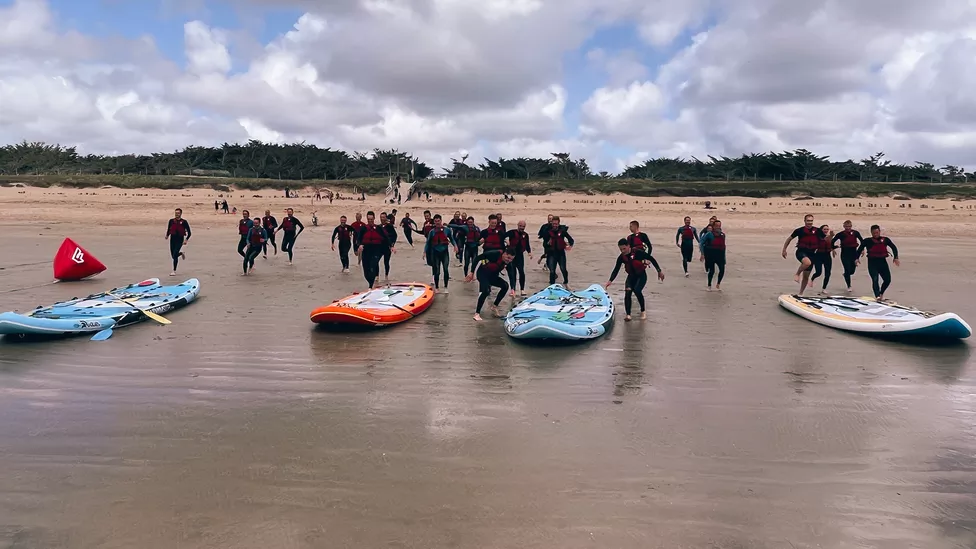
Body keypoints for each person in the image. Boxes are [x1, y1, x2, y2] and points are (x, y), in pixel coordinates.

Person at [606, 238, 664, 321]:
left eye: (624, 249)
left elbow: (651, 259)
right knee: (628, 292)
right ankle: (628, 315)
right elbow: (616, 269)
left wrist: (659, 271)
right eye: (621, 249)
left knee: (637, 291)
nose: (622, 251)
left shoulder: (638, 253)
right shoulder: (621, 257)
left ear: (628, 246)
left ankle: (643, 311)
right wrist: (610, 280)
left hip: (641, 276)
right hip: (631, 277)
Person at [466, 247, 514, 321]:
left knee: (505, 286)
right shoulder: (495, 254)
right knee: (486, 291)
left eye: (511, 259)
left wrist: (513, 288)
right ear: (504, 254)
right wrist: (472, 272)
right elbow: (477, 258)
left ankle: (494, 306)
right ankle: (477, 314)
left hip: (492, 276)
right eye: (508, 258)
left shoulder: (508, 263)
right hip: (482, 274)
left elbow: (511, 275)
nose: (509, 260)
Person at [782, 214, 824, 295]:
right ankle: (797, 274)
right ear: (804, 221)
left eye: (811, 221)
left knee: (806, 276)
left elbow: (825, 239)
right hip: (801, 252)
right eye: (808, 221)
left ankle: (801, 293)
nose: (809, 222)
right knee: (807, 263)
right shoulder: (799, 230)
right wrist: (784, 250)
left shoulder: (817, 230)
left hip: (812, 254)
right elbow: (789, 239)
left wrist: (831, 236)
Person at [856, 225, 900, 300]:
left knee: (887, 280)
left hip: (882, 262)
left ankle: (881, 293)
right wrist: (856, 258)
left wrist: (896, 257)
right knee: (875, 279)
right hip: (872, 263)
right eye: (874, 233)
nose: (875, 234)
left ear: (879, 232)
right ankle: (877, 296)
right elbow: (859, 249)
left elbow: (893, 247)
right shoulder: (867, 241)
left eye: (877, 232)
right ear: (871, 232)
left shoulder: (885, 240)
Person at [356, 211, 393, 289]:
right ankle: (370, 283)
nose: (370, 221)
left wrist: (391, 246)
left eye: (371, 219)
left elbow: (386, 237)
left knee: (373, 267)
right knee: (366, 270)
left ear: (374, 218)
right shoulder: (363, 228)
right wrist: (360, 245)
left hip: (376, 250)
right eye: (368, 219)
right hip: (366, 251)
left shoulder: (378, 228)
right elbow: (358, 239)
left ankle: (371, 286)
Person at [422, 214, 458, 293]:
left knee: (446, 269)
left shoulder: (447, 230)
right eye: (436, 221)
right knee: (437, 271)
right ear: (434, 222)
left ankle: (446, 287)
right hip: (435, 253)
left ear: (441, 221)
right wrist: (424, 252)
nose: (437, 222)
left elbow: (452, 239)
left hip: (444, 253)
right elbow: (428, 243)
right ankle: (437, 287)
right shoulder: (432, 232)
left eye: (438, 221)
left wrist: (455, 246)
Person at [831, 220, 864, 293]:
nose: (848, 228)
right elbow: (832, 241)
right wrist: (833, 248)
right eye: (846, 227)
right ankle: (849, 286)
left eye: (849, 226)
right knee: (847, 270)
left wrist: (862, 250)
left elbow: (862, 241)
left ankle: (846, 275)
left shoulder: (855, 233)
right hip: (844, 254)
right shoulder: (841, 234)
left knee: (852, 271)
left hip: (854, 254)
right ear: (844, 226)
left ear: (851, 226)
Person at [542, 216, 574, 285]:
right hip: (551, 254)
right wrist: (547, 244)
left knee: (563, 269)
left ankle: (566, 283)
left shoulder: (562, 231)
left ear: (558, 224)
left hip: (561, 253)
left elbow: (571, 240)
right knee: (552, 271)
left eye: (556, 224)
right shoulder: (547, 232)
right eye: (553, 224)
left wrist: (570, 246)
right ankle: (551, 284)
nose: (554, 225)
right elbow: (544, 244)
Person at [505, 220, 532, 296]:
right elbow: (503, 235)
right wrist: (506, 241)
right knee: (512, 272)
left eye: (523, 226)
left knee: (521, 272)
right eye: (520, 226)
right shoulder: (512, 232)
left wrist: (529, 252)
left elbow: (527, 244)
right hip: (512, 256)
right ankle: (513, 289)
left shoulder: (525, 235)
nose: (522, 228)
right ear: (517, 225)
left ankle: (522, 289)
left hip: (520, 256)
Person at [699, 219, 727, 291]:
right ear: (713, 226)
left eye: (719, 226)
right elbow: (701, 243)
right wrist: (702, 254)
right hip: (711, 255)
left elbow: (723, 246)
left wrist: (724, 257)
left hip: (720, 255)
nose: (718, 227)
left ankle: (718, 284)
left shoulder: (723, 235)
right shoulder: (709, 234)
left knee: (722, 270)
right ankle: (709, 285)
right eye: (717, 226)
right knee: (712, 271)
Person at [810, 224, 837, 295]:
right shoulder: (818, 236)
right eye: (824, 229)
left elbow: (830, 245)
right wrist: (831, 236)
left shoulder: (829, 237)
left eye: (827, 229)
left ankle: (824, 288)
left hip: (827, 256)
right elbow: (824, 240)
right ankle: (812, 279)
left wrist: (834, 249)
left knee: (828, 273)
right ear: (821, 230)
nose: (826, 230)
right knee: (818, 272)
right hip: (818, 256)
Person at [165, 208, 191, 276]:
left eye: (178, 213)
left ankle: (174, 270)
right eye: (176, 213)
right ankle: (181, 253)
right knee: (173, 256)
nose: (177, 214)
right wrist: (167, 235)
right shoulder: (171, 221)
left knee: (175, 255)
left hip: (180, 240)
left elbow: (189, 232)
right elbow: (169, 229)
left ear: (181, 214)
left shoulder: (184, 222)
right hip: (172, 239)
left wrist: (186, 239)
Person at [380, 212, 398, 280]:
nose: (382, 219)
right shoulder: (379, 227)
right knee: (375, 261)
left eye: (383, 217)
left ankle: (386, 275)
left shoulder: (390, 226)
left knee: (386, 262)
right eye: (381, 217)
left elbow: (395, 235)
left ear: (386, 218)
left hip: (388, 247)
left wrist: (392, 244)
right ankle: (376, 276)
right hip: (380, 247)